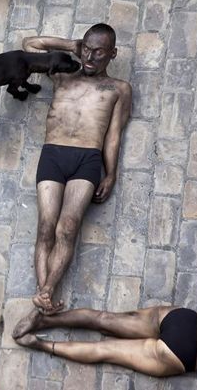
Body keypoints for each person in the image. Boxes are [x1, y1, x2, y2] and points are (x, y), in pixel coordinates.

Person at [19, 23, 132, 317]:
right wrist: (72, 46)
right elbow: (30, 45)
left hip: (88, 158)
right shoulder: (62, 74)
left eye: (99, 52)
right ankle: (45, 293)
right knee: (45, 227)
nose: (91, 58)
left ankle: (45, 292)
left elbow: (114, 134)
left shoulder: (119, 88)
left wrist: (111, 173)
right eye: (87, 49)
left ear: (113, 54)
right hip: (53, 154)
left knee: (67, 228)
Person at [11, 302, 197, 384]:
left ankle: (42, 319)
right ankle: (40, 344)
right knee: (103, 350)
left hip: (186, 320)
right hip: (188, 353)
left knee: (103, 318)